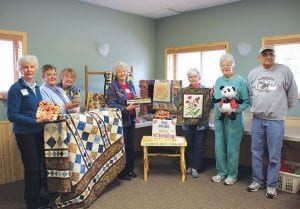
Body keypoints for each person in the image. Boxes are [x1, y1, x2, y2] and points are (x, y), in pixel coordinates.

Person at [246, 46, 298, 199]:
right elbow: (250, 94)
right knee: (256, 152)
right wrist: (255, 107)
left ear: (274, 56)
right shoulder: (253, 73)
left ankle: (271, 185)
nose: (268, 57)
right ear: (259, 57)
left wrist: (281, 110)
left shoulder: (284, 71)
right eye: (265, 54)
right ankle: (257, 181)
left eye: (271, 54)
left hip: (276, 121)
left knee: (274, 155)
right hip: (257, 120)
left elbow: (293, 95)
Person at [7, 55, 52, 209]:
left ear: (36, 68)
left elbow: (39, 108)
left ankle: (39, 198)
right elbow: (12, 115)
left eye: (31, 66)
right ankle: (32, 203)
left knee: (40, 166)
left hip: (39, 131)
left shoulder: (38, 87)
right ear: (20, 69)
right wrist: (35, 121)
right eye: (25, 67)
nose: (29, 69)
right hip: (25, 133)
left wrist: (47, 115)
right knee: (32, 168)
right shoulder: (16, 89)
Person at [211, 53, 250, 185]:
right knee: (219, 146)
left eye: (228, 65)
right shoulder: (218, 81)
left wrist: (234, 109)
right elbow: (216, 99)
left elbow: (246, 101)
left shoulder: (240, 81)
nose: (225, 67)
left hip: (234, 119)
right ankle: (221, 172)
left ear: (233, 65)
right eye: (223, 65)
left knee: (232, 148)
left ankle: (232, 175)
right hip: (219, 118)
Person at [106, 61, 138, 181]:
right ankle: (122, 173)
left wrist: (138, 101)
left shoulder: (130, 84)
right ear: (115, 73)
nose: (121, 73)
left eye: (123, 71)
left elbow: (134, 98)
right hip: (121, 120)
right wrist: (125, 109)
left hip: (132, 118)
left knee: (130, 145)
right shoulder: (113, 86)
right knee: (122, 147)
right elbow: (111, 103)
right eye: (119, 71)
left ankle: (130, 170)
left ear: (126, 72)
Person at [182, 68, 209, 178]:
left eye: (195, 77)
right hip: (187, 123)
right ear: (188, 78)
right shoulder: (184, 91)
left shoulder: (205, 90)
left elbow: (209, 106)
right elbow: (179, 105)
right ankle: (189, 165)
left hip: (200, 124)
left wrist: (210, 96)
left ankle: (195, 167)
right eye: (190, 77)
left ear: (199, 78)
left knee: (198, 146)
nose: (193, 79)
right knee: (189, 145)